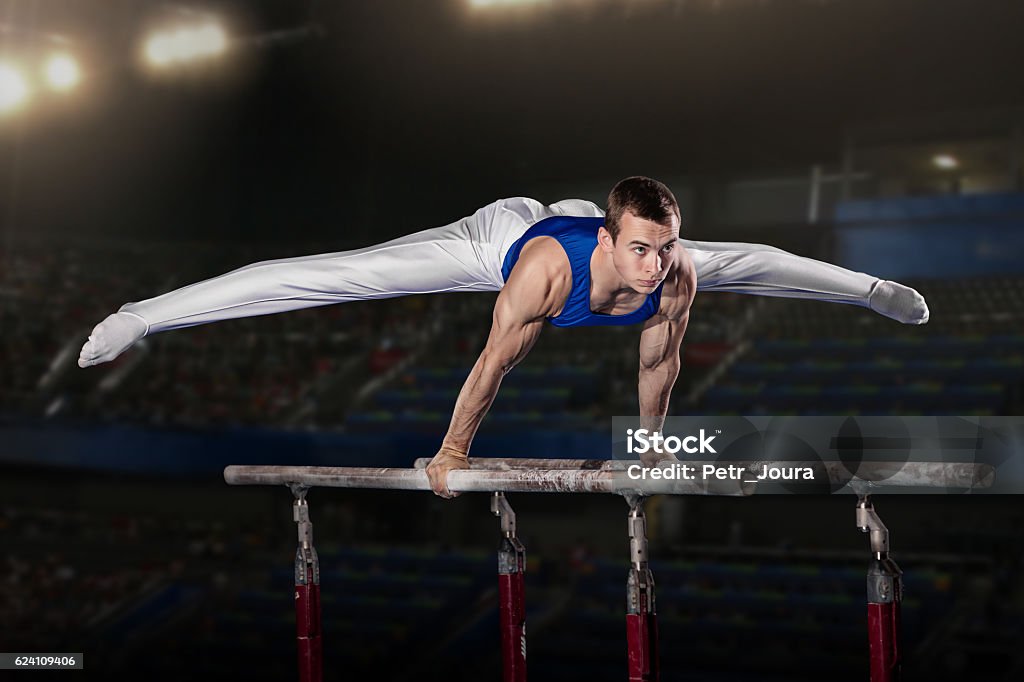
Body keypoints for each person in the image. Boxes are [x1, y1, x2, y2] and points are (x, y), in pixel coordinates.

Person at [77, 176, 929, 497]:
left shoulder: (669, 266)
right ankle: (142, 316)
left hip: (579, 240)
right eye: (639, 247)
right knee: (340, 273)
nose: (653, 264)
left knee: (755, 262)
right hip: (506, 240)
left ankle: (878, 290)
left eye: (663, 246)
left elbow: (660, 364)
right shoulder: (545, 276)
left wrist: (653, 452)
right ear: (608, 237)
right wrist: (452, 455)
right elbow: (492, 366)